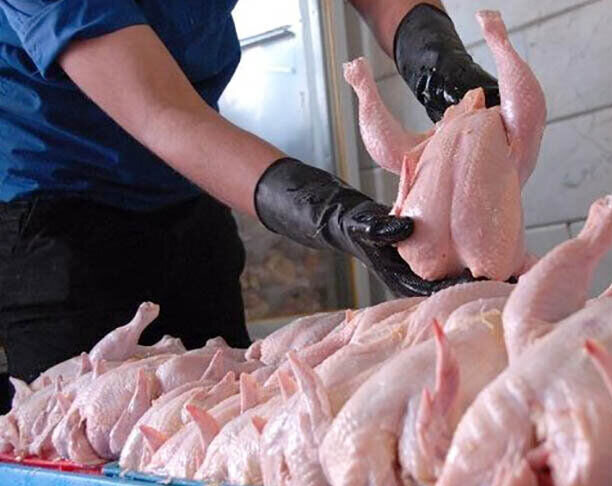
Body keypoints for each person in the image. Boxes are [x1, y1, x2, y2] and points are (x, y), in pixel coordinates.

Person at [0, 0, 499, 409]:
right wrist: (330, 213)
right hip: (55, 214)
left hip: (190, 194)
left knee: (227, 412)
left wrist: (433, 51)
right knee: (81, 431)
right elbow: (160, 110)